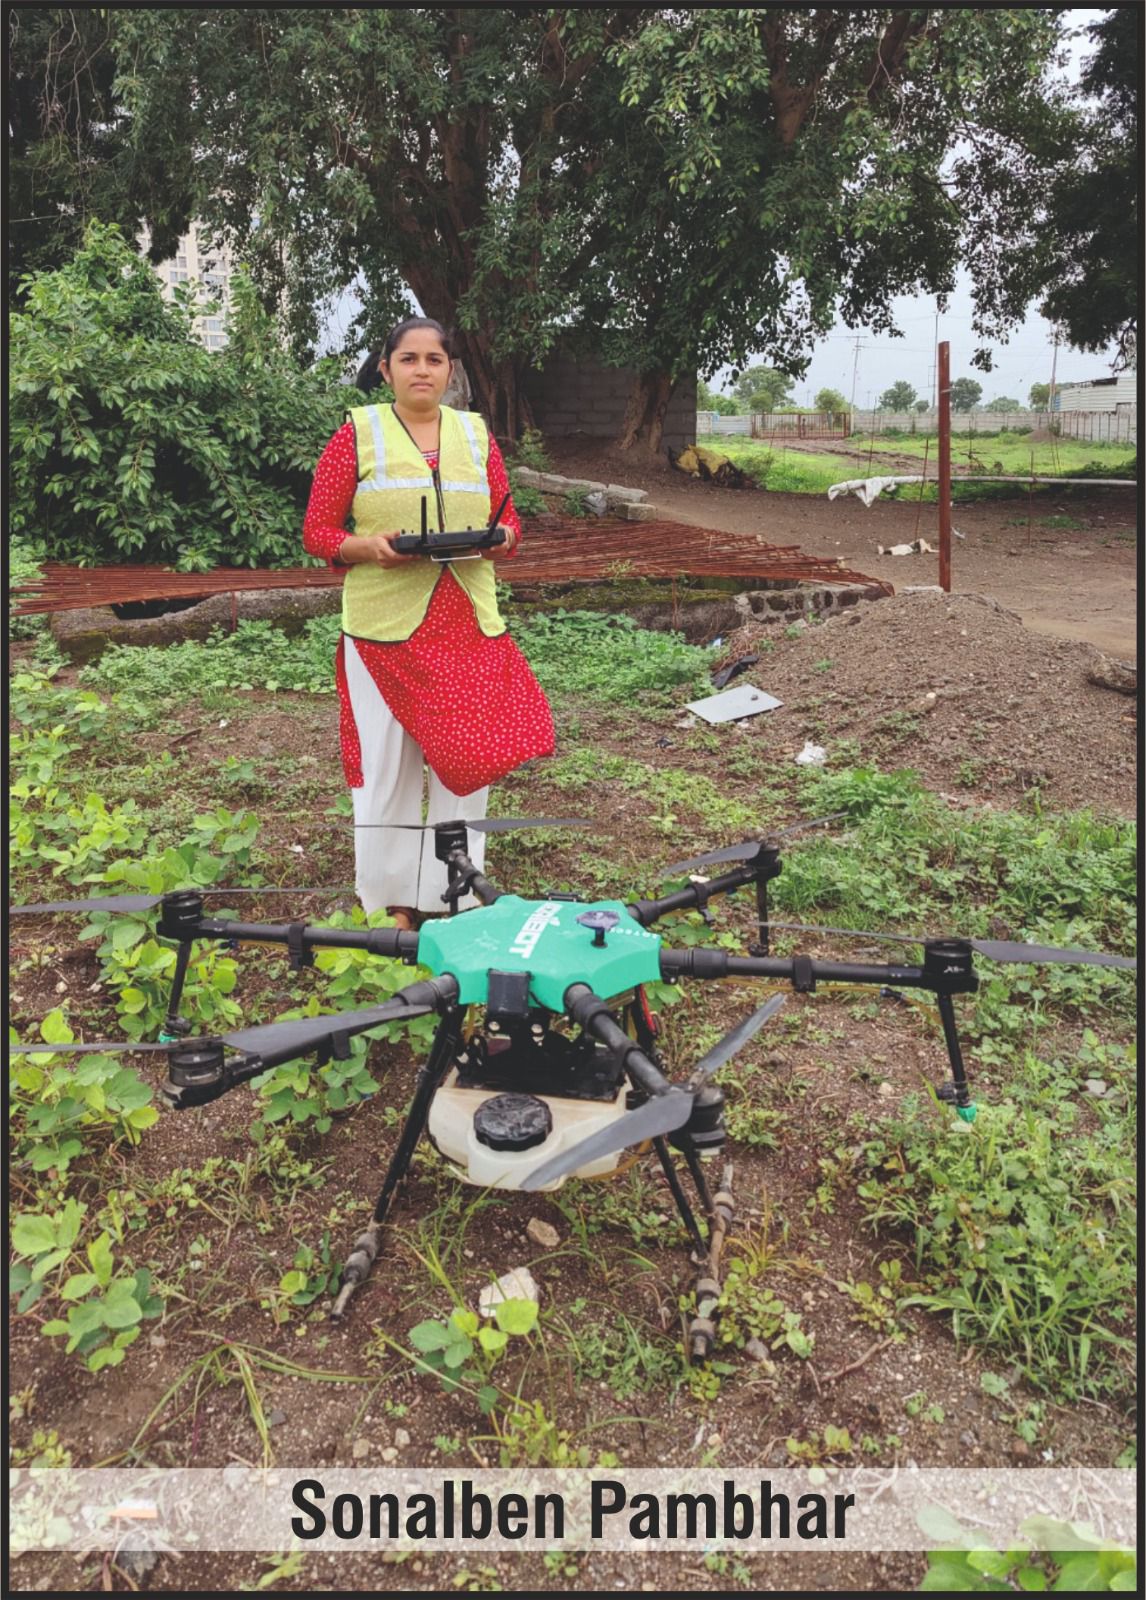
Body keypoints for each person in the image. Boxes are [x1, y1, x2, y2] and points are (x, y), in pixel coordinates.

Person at [302, 317, 555, 930]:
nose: (422, 369)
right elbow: (318, 534)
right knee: (386, 769)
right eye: (409, 359)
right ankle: (389, 903)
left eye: (435, 359)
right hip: (384, 628)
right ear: (385, 369)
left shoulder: (475, 435)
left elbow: (511, 522)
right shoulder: (356, 435)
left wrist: (502, 541)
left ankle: (456, 895)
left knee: (467, 765)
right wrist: (368, 547)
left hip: (466, 623)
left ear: (450, 371)